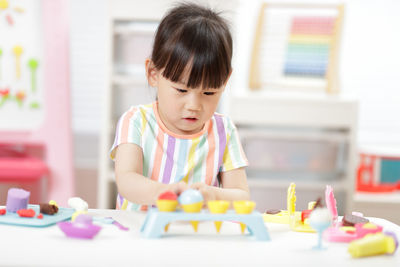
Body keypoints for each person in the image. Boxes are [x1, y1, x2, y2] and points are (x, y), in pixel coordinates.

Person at [110, 3, 249, 211]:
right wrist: (164, 193)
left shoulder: (224, 130)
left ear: (225, 80)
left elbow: (241, 195)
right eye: (182, 90)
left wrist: (213, 195)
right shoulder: (135, 121)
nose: (194, 106)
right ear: (153, 74)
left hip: (199, 235)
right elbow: (127, 180)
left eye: (209, 93)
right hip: (139, 234)